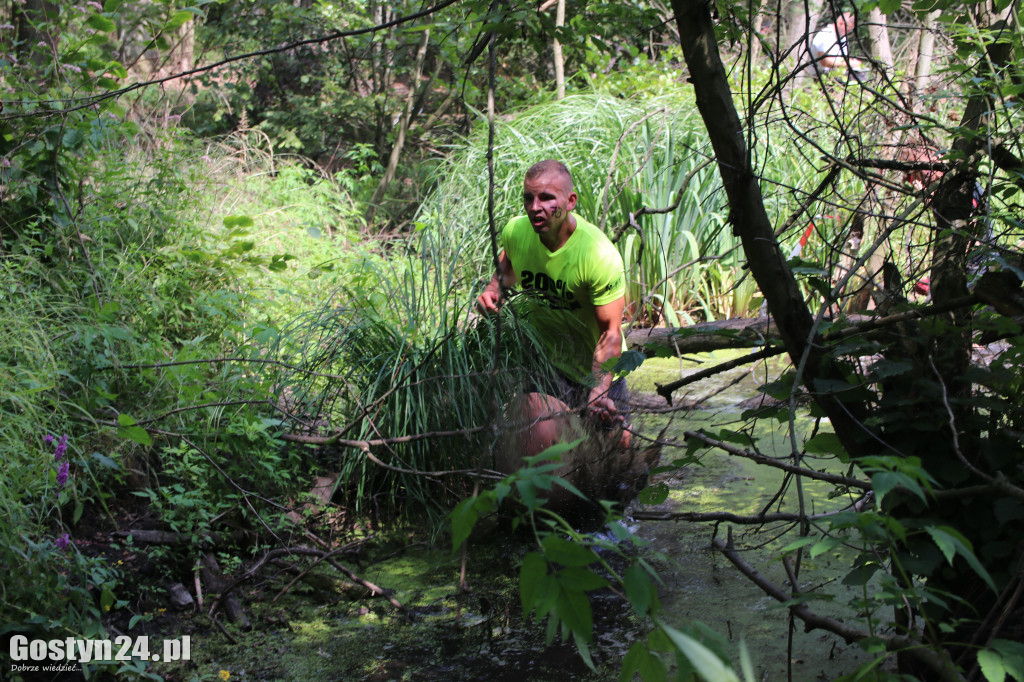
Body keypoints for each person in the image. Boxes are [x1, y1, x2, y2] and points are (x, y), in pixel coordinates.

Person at [476, 160, 629, 458]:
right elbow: (509, 259)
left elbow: (610, 334)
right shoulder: (517, 232)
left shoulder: (599, 256)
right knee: (539, 444)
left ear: (570, 201)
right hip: (546, 361)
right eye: (528, 198)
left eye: (546, 198)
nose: (535, 207)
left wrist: (598, 391)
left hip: (595, 368)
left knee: (616, 460)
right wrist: (494, 287)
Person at [809, 11, 865, 77]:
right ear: (841, 23)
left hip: (839, 74)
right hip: (823, 76)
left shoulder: (842, 38)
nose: (848, 33)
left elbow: (843, 59)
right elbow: (825, 61)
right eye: (847, 30)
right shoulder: (824, 35)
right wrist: (850, 63)